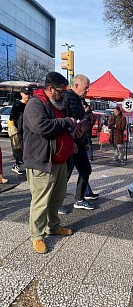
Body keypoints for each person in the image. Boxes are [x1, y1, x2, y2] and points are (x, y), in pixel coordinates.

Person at [23, 71, 81, 254]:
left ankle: (53, 225)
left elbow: (60, 130)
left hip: (59, 162)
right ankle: (37, 236)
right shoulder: (35, 104)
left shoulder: (57, 104)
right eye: (60, 91)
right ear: (49, 88)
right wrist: (65, 122)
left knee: (57, 197)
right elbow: (42, 127)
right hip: (42, 162)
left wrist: (72, 137)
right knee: (41, 201)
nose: (63, 95)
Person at [64, 74, 98, 211]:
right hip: (70, 142)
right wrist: (70, 141)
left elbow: (81, 123)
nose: (87, 91)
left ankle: (79, 198)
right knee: (65, 175)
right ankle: (56, 202)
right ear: (76, 85)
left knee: (86, 169)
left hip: (79, 142)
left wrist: (84, 142)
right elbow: (65, 122)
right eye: (86, 88)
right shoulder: (67, 98)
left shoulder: (78, 100)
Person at [9, 86, 31, 175]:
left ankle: (26, 164)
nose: (27, 96)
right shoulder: (17, 105)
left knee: (28, 148)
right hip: (19, 130)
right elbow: (12, 118)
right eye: (26, 94)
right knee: (19, 149)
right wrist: (13, 130)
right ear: (21, 94)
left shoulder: (31, 104)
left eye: (29, 94)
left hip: (29, 130)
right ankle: (17, 164)